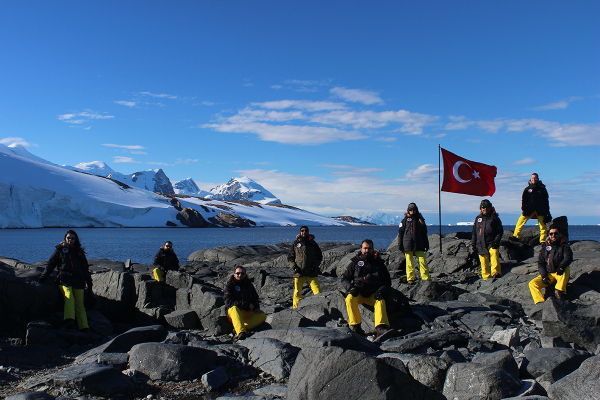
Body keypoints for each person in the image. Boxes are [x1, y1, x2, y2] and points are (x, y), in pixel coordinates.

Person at [37, 230, 93, 332]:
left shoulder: (79, 252)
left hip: (78, 281)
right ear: (65, 239)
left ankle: (84, 327)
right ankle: (69, 320)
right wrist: (44, 276)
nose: (70, 240)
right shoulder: (60, 250)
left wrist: (89, 283)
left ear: (76, 240)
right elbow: (51, 264)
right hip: (64, 279)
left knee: (80, 303)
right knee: (69, 296)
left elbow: (85, 268)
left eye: (72, 238)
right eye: (68, 238)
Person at [341, 239, 391, 338]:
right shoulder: (355, 263)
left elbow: (387, 282)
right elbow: (345, 279)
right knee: (349, 299)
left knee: (380, 301)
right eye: (365, 248)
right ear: (361, 249)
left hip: (373, 293)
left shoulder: (379, 264)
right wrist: (350, 288)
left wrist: (381, 291)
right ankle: (356, 326)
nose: (367, 250)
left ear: (373, 249)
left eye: (369, 248)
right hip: (358, 293)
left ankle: (380, 328)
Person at [529, 224, 573, 304]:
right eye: (551, 234)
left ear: (560, 234)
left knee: (566, 268)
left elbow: (568, 258)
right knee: (532, 284)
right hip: (549, 274)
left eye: (556, 233)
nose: (553, 235)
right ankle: (540, 302)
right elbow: (541, 262)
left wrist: (561, 267)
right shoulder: (545, 247)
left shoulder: (565, 246)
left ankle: (559, 291)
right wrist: (544, 276)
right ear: (549, 235)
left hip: (559, 272)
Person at [224, 266, 267, 340]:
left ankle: (239, 327)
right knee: (234, 308)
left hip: (246, 312)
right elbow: (229, 302)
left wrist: (256, 307)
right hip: (233, 313)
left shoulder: (248, 285)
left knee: (262, 315)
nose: (240, 275)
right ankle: (241, 332)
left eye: (242, 273)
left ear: (245, 274)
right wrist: (246, 305)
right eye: (238, 273)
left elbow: (255, 298)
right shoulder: (230, 285)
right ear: (234, 274)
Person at [288, 226, 323, 308]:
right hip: (298, 272)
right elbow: (290, 257)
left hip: (311, 272)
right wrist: (294, 267)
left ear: (308, 232)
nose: (304, 232)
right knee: (297, 293)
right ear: (300, 232)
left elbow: (319, 257)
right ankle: (296, 309)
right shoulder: (295, 243)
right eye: (302, 231)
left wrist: (314, 267)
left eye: (306, 231)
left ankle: (321, 308)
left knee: (318, 292)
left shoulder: (313, 244)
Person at [513, 173, 551, 243]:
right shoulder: (527, 189)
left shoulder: (542, 189)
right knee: (520, 221)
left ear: (538, 179)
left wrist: (547, 212)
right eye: (533, 178)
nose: (534, 179)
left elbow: (546, 200)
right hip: (529, 209)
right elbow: (524, 200)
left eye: (535, 178)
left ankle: (542, 240)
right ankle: (516, 236)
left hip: (541, 209)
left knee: (542, 225)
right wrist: (524, 209)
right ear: (530, 179)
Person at [471, 199, 504, 280]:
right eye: (483, 208)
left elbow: (500, 232)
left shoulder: (495, 218)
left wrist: (496, 242)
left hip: (491, 242)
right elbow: (474, 232)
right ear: (481, 208)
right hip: (480, 243)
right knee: (484, 263)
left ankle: (496, 273)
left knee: (494, 254)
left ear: (490, 207)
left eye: (486, 207)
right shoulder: (478, 219)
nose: (485, 209)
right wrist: (473, 244)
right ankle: (486, 278)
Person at [398, 203, 430, 284]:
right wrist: (400, 245)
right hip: (407, 244)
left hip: (419, 244)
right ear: (408, 210)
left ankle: (425, 277)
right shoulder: (405, 220)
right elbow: (400, 233)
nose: (412, 211)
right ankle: (410, 278)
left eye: (414, 210)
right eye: (410, 210)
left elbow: (424, 234)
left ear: (416, 210)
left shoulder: (420, 220)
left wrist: (426, 244)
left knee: (422, 261)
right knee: (409, 262)